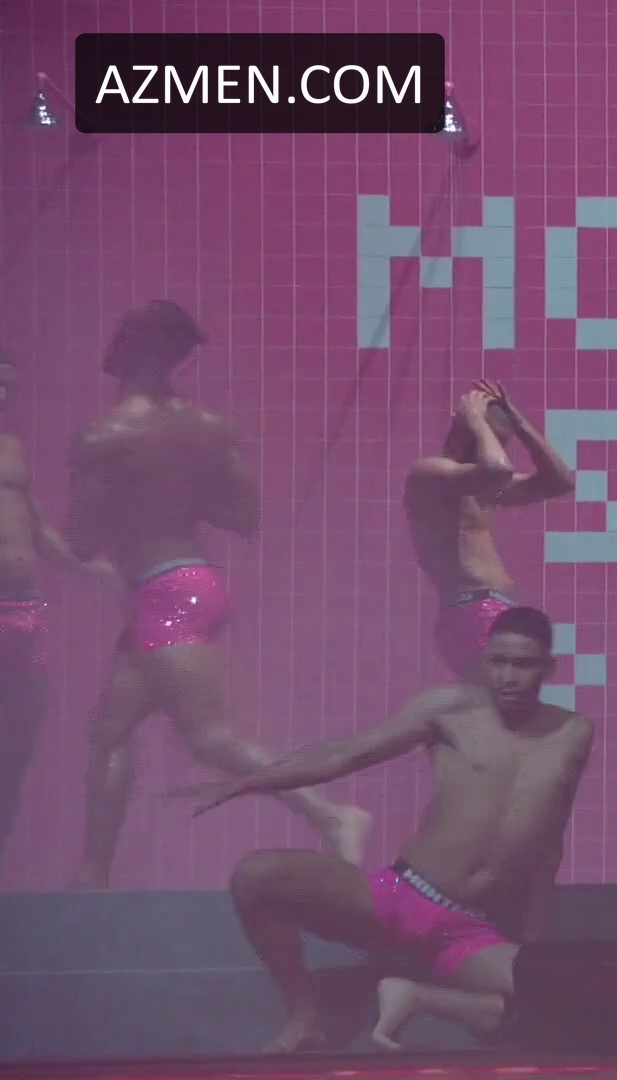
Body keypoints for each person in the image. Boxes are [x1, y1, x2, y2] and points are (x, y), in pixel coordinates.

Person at [169, 605, 596, 1053]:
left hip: (469, 932)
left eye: (523, 665)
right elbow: (347, 754)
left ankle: (416, 997)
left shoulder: (573, 734)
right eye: (498, 662)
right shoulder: (450, 709)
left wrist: (532, 946)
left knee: (551, 999)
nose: (507, 677)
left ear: (548, 668)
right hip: (399, 898)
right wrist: (250, 781)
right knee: (255, 875)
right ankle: (304, 1012)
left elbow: (548, 844)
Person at [64, 302, 368, 889]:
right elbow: (244, 516)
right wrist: (178, 493)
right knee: (110, 728)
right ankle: (92, 878)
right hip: (190, 583)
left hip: (164, 592)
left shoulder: (104, 436)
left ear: (133, 346)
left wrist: (129, 508)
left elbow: (81, 538)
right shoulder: (209, 428)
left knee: (209, 738)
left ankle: (332, 815)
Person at [0, 350, 118, 866]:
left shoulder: (11, 448)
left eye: (8, 388)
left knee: (20, 736)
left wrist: (88, 568)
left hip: (24, 610)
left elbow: (38, 528)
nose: (1, 396)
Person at [405, 379, 575, 684]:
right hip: (471, 612)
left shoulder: (485, 488)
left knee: (505, 707)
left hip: (493, 611)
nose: (496, 450)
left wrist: (519, 422)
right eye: (487, 441)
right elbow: (497, 470)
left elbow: (560, 482)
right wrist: (474, 420)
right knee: (496, 703)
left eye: (501, 444)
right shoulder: (430, 475)